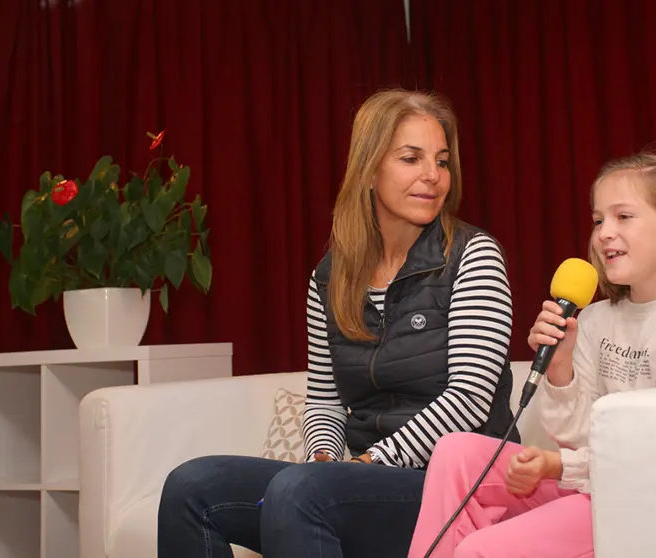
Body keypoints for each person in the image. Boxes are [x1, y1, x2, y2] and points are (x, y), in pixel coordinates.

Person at [156, 88, 520, 558]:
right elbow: (326, 401)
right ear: (369, 169)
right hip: (362, 482)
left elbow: (469, 399)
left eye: (442, 161)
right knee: (192, 488)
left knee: (300, 492)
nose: (433, 176)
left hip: (458, 485)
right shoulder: (330, 278)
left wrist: (367, 464)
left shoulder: (473, 255)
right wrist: (326, 459)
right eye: (411, 158)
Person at [407, 152, 656, 558]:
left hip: (644, 503)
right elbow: (579, 435)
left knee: (482, 549)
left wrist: (561, 466)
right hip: (593, 483)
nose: (604, 234)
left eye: (624, 217)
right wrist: (560, 367)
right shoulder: (597, 318)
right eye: (599, 220)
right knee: (455, 451)